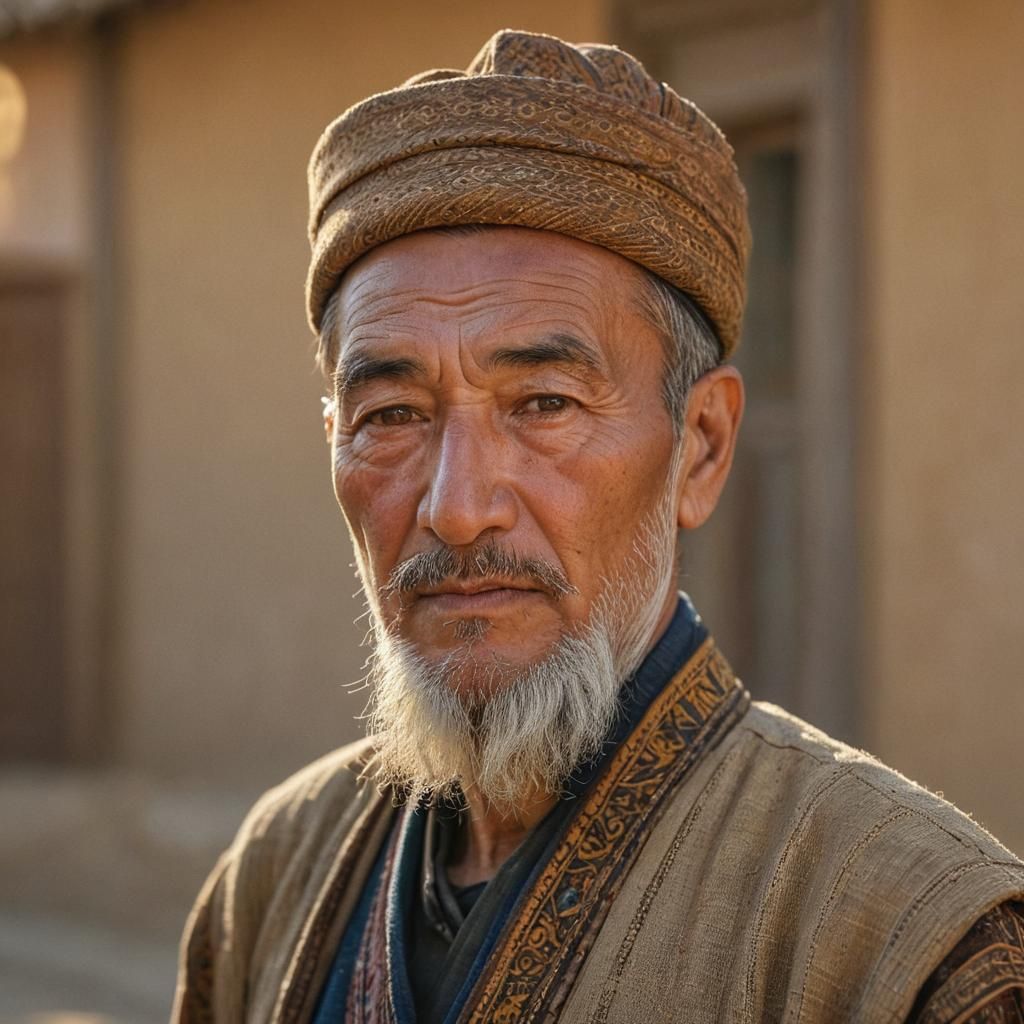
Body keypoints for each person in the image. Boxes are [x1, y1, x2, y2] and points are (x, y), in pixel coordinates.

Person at [172, 29, 1024, 1023]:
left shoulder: (906, 945)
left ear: (699, 447)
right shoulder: (275, 878)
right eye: (392, 415)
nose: (454, 506)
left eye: (544, 403)